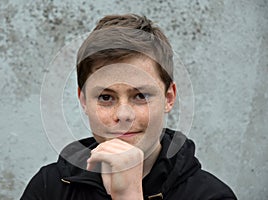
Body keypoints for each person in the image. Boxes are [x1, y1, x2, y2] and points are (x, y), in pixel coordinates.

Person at [21, 14, 237, 200]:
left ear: (169, 98)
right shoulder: (49, 187)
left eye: (140, 96)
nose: (123, 115)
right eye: (106, 97)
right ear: (84, 101)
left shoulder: (211, 195)